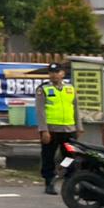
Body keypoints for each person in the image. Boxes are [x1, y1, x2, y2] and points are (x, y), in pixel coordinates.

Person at [36, 62, 82, 195]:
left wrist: (78, 127)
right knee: (48, 157)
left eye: (57, 72)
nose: (54, 75)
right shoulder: (43, 89)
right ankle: (49, 182)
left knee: (70, 157)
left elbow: (75, 108)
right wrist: (44, 130)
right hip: (51, 130)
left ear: (62, 73)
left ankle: (70, 181)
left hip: (69, 130)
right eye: (51, 72)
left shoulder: (70, 88)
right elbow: (40, 111)